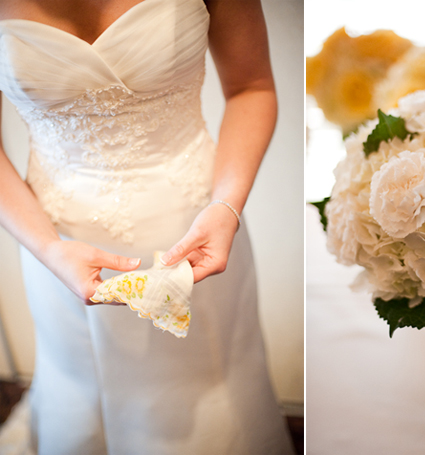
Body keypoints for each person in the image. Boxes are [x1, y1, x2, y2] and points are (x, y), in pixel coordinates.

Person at [0, 0, 295, 453]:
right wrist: (48, 248)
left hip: (199, 232)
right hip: (55, 245)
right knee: (79, 394)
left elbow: (250, 86)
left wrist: (227, 206)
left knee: (212, 393)